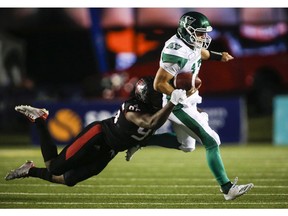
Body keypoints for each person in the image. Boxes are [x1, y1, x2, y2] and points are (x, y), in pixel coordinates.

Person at [4, 76, 187, 186]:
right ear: (147, 98)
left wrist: (137, 144)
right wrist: (172, 103)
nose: (162, 98)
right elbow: (150, 123)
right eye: (159, 95)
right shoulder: (134, 109)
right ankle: (40, 119)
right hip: (99, 135)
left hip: (110, 149)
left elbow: (146, 131)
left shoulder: (153, 106)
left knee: (68, 180)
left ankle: (29, 170)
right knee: (55, 167)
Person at [151, 11, 254, 200]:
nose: (203, 37)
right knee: (212, 141)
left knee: (187, 146)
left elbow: (201, 52)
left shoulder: (192, 43)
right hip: (177, 103)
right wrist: (179, 95)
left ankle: (141, 140)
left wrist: (218, 56)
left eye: (203, 33)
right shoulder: (176, 50)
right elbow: (158, 84)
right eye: (199, 33)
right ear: (186, 31)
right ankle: (227, 188)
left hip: (188, 100)